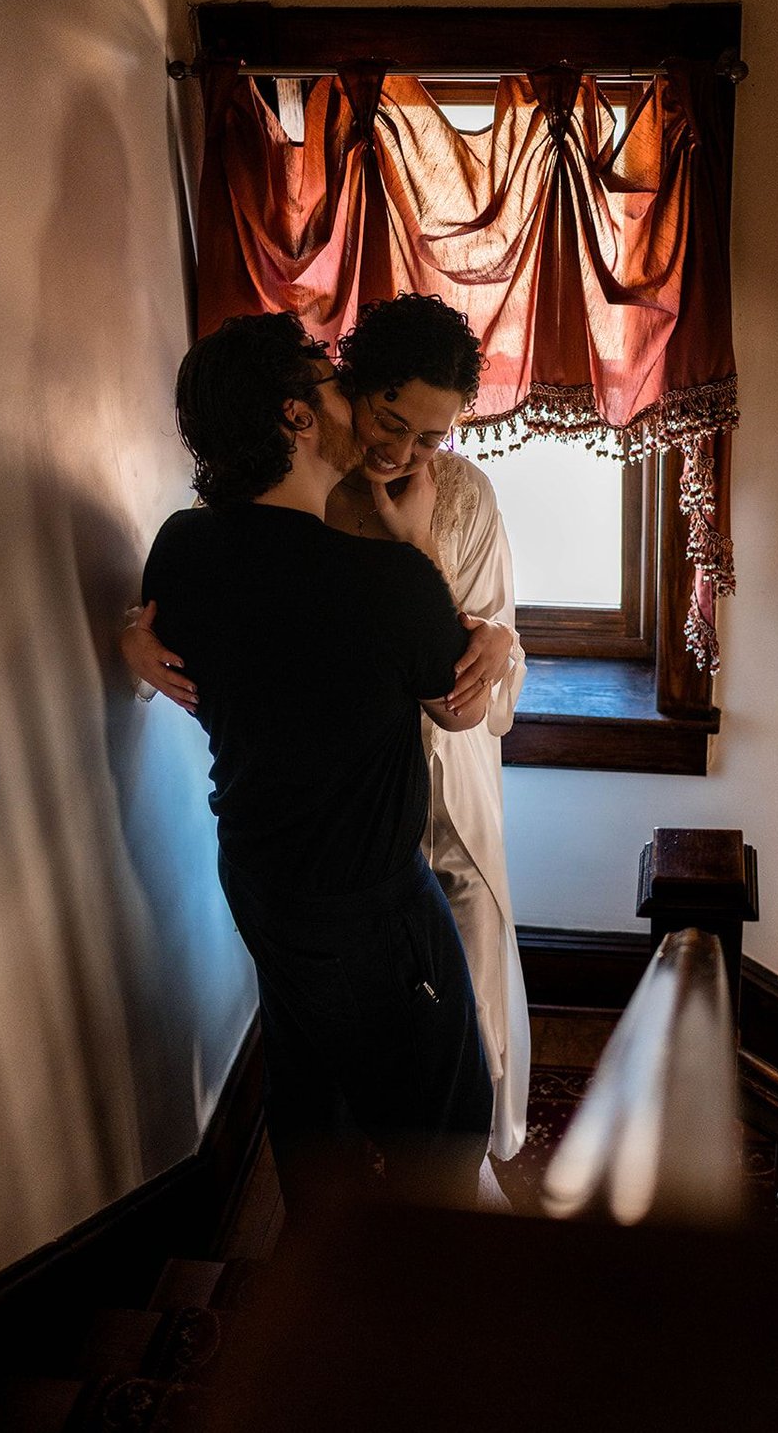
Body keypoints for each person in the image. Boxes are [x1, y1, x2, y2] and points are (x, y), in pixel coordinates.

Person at [126, 294, 530, 1170]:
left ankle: (332, 1230)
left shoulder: (185, 542)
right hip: (363, 874)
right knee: (426, 1111)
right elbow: (442, 690)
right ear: (325, 403)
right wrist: (416, 561)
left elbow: (474, 700)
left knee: (350, 1067)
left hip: (334, 844)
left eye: (432, 438)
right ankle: (426, 1231)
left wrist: (496, 642)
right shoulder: (375, 568)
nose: (404, 452)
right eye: (386, 416)